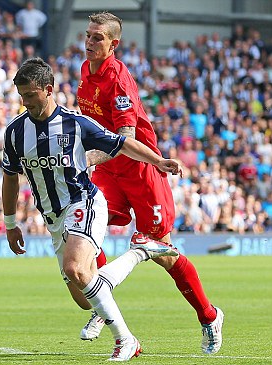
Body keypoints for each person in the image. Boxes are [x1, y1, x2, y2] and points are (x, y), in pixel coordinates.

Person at [2, 58, 181, 361]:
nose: (26, 102)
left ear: (49, 90)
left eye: (30, 94)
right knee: (86, 299)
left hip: (83, 201)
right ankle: (141, 252)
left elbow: (122, 143)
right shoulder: (15, 132)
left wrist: (158, 161)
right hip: (53, 218)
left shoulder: (75, 123)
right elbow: (10, 178)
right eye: (22, 96)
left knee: (76, 268)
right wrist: (9, 223)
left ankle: (126, 341)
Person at [76, 11, 224, 354]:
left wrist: (85, 159)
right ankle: (103, 300)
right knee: (86, 228)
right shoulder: (86, 70)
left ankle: (209, 315)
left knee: (163, 252)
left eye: (97, 38)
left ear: (114, 44)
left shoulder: (119, 80)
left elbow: (125, 135)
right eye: (87, 35)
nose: (89, 42)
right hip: (109, 171)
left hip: (140, 169)